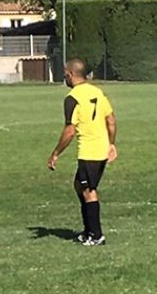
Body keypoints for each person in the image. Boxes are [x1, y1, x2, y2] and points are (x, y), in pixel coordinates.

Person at [47, 58, 117, 246]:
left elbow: (70, 130)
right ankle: (88, 231)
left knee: (88, 191)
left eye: (64, 73)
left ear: (70, 74)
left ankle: (96, 235)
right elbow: (110, 119)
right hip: (101, 148)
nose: (64, 77)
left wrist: (55, 153)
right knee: (79, 185)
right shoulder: (97, 92)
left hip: (90, 152)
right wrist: (111, 144)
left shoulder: (72, 98)